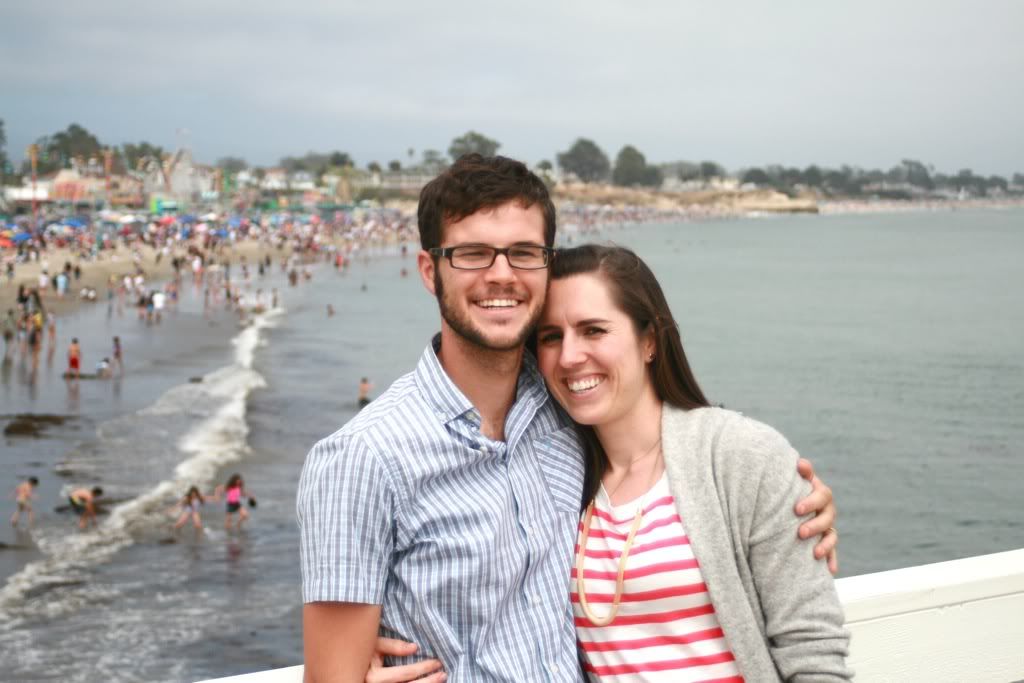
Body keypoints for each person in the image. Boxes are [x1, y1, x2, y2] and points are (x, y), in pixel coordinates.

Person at [297, 155, 838, 682]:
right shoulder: (361, 459)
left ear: (546, 264)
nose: (501, 274)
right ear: (428, 269)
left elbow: (686, 469)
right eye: (473, 254)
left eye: (523, 253)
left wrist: (779, 495)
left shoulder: (563, 417)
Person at [536, 245, 850, 680]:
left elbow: (813, 650)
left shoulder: (741, 455)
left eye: (593, 330)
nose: (569, 356)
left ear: (649, 341)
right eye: (551, 337)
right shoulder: (555, 477)